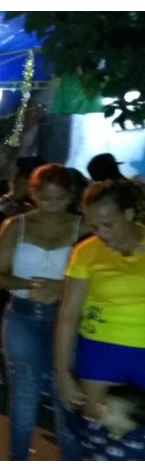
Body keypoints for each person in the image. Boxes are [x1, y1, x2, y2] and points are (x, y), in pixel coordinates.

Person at [0, 163, 86, 460]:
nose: (52, 206)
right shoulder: (15, 226)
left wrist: (60, 288)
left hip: (67, 319)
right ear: (33, 193)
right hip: (22, 316)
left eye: (60, 199)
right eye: (45, 198)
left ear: (70, 195)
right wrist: (31, 284)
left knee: (66, 398)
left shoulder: (83, 227)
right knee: (24, 395)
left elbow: (96, 277)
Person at [55, 180, 145, 435]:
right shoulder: (85, 252)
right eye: (94, 226)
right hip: (101, 351)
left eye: (108, 224)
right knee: (99, 432)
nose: (101, 233)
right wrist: (62, 372)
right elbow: (68, 313)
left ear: (129, 214)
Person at [0, 156, 45, 396]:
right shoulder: (1, 205)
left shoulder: (24, 207)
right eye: (33, 183)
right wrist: (5, 241)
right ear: (21, 181)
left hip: (5, 273)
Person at [80, 384, 145, 460]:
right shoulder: (92, 429)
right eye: (103, 403)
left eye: (111, 410)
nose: (98, 406)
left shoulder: (141, 443)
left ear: (129, 424)